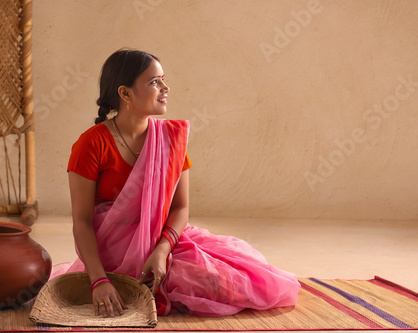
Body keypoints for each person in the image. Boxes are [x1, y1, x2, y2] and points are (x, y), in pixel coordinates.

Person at [51, 49, 301, 318]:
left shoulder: (170, 139)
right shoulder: (91, 143)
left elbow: (180, 208)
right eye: (154, 82)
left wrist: (161, 251)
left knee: (228, 279)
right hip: (113, 251)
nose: (165, 88)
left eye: (163, 79)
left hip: (163, 239)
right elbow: (82, 221)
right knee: (185, 283)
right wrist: (99, 280)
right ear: (125, 94)